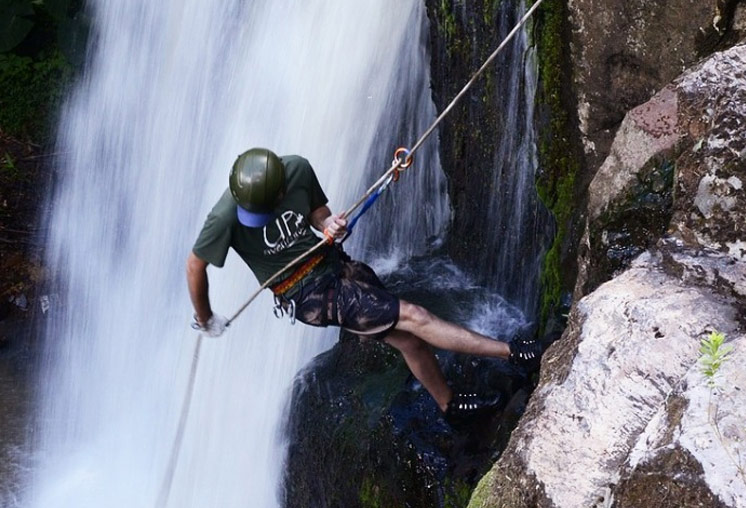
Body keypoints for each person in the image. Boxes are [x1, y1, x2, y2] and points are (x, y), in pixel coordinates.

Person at [186, 148, 540, 425]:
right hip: (308, 295)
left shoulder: (296, 169)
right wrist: (206, 318)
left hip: (335, 265)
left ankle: (449, 407)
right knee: (414, 316)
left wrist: (329, 224)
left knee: (407, 337)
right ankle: (513, 352)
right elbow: (195, 265)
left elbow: (317, 212)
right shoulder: (224, 216)